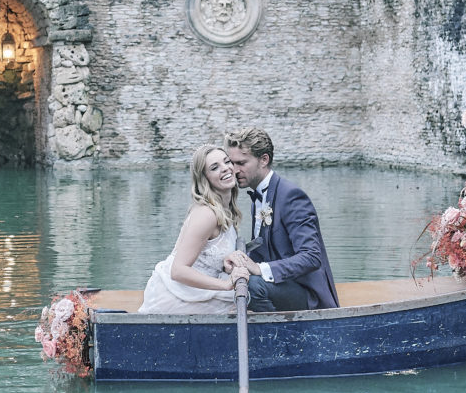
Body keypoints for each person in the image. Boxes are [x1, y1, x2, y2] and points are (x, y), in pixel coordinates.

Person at [223, 127, 340, 311]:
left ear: (264, 160)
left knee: (252, 286)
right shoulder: (258, 197)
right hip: (282, 286)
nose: (234, 170)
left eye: (241, 163)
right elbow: (263, 252)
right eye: (232, 163)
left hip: (307, 294)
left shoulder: (291, 196)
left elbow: (311, 257)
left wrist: (260, 269)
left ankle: (277, 332)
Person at [138, 145, 251, 314]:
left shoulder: (226, 208)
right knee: (244, 307)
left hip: (199, 290)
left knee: (251, 297)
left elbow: (208, 253)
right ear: (204, 178)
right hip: (176, 295)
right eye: (214, 167)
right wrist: (226, 285)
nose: (225, 168)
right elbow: (178, 270)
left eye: (227, 162)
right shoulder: (207, 214)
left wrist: (225, 261)